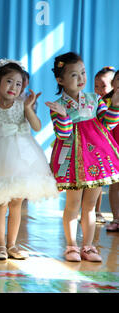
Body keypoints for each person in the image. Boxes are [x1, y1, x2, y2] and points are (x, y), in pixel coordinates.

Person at [0, 59, 59, 260]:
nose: (14, 87)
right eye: (9, 81)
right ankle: (0, 245)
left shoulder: (22, 106)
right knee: (1, 202)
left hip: (23, 156)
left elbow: (36, 127)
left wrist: (28, 108)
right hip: (0, 156)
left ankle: (12, 244)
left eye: (18, 84)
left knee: (17, 203)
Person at [45, 52, 119, 262]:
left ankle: (88, 246)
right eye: (74, 75)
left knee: (90, 206)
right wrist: (62, 115)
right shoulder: (58, 105)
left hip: (96, 157)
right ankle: (71, 246)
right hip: (72, 159)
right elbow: (64, 133)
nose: (81, 78)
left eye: (83, 73)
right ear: (60, 80)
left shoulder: (95, 99)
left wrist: (115, 105)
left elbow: (109, 124)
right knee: (72, 204)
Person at [92, 66, 116, 223]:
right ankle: (95, 211)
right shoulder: (94, 102)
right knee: (97, 181)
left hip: (113, 143)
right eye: (96, 86)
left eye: (103, 86)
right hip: (98, 144)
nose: (99, 90)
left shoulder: (113, 101)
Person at [100, 70, 119, 232]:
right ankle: (116, 218)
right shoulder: (104, 101)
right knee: (115, 186)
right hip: (113, 149)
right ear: (113, 83)